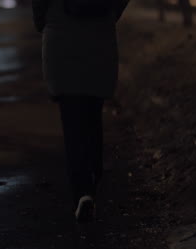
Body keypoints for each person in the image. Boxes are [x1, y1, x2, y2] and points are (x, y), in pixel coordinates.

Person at [32, 0, 129, 222]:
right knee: (93, 114)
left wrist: (42, 20)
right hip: (99, 32)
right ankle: (93, 177)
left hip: (61, 32)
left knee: (72, 120)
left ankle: (82, 191)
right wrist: (110, 12)